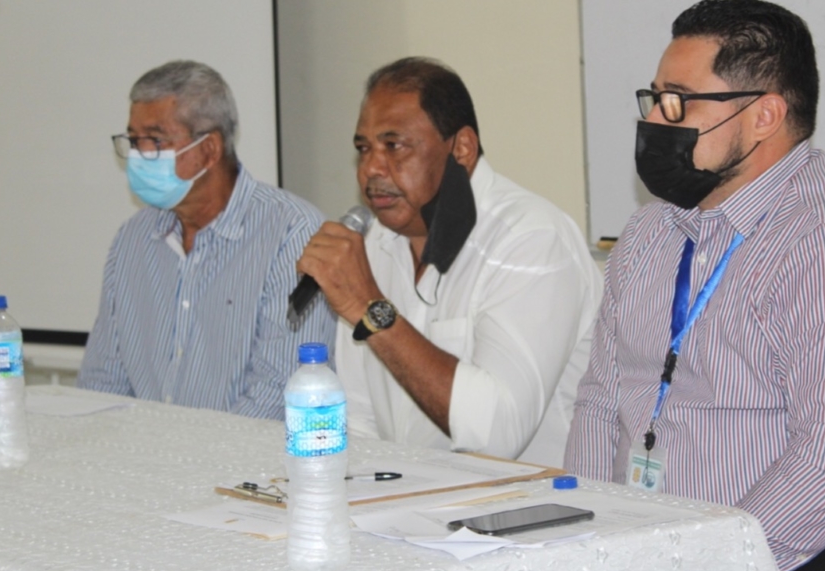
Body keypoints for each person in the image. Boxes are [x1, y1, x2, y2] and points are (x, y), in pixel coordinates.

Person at [565, 0, 825, 571]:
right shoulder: (649, 232)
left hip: (810, 559)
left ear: (764, 115)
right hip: (662, 550)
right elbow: (602, 402)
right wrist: (588, 547)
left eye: (678, 101)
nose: (656, 121)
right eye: (655, 98)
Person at [296, 57, 602, 468]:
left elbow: (498, 435)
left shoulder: (532, 239)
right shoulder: (374, 243)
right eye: (363, 149)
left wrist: (372, 310)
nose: (370, 168)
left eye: (394, 145)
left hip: (533, 500)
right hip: (411, 493)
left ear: (462, 149)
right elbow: (359, 417)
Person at [78, 60, 334, 418]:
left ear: (209, 149)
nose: (138, 156)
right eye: (133, 141)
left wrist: (190, 453)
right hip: (142, 450)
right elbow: (102, 380)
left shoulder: (292, 233)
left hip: (244, 453)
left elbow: (278, 392)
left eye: (155, 140)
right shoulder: (133, 239)